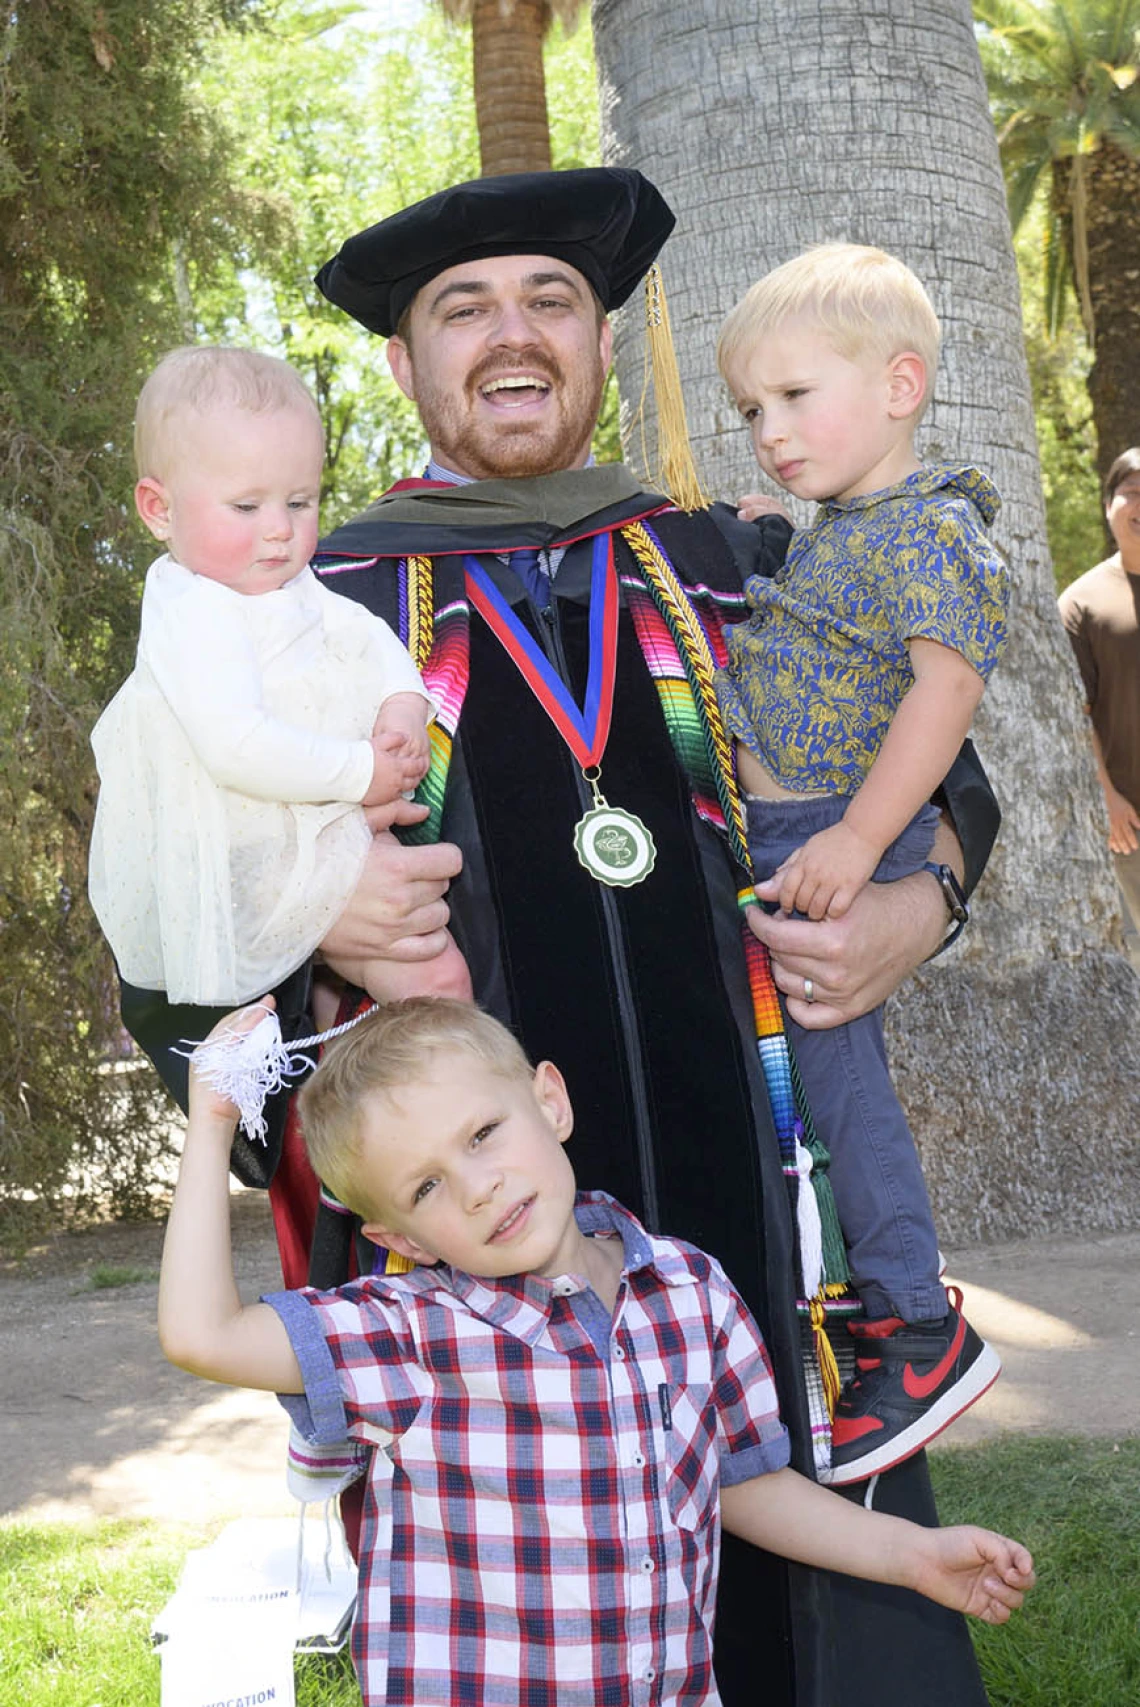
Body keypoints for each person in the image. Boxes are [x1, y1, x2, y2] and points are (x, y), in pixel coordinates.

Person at [120, 169, 1003, 1707]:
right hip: (482, 1267)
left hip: (766, 1238)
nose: (511, 334)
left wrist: (909, 910)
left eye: (551, 300)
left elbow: (949, 776)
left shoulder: (736, 559)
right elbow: (155, 905)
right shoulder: (307, 606)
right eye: (462, 308)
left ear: (602, 343)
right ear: (404, 364)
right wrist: (309, 914)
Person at [159, 996, 1035, 1707]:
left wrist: (908, 1554)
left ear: (550, 1100)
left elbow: (748, 1484)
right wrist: (211, 1124)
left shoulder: (692, 1289)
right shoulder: (405, 1333)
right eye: (428, 1185)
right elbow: (202, 1334)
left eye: (482, 1134)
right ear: (405, 1238)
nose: (479, 1185)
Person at [713, 245, 1008, 1484]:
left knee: (840, 1084)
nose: (770, 431)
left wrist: (853, 838)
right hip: (778, 835)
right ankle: (836, 1287)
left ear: (900, 384)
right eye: (750, 412)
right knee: (791, 1090)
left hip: (822, 838)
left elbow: (945, 694)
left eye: (793, 397)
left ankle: (922, 1325)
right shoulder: (852, 530)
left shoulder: (932, 529)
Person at [88, 346, 470, 1010]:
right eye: (245, 507)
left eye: (299, 501)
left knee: (432, 983)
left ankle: (435, 1089)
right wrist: (362, 772)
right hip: (257, 853)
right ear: (159, 509)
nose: (279, 532)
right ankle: (442, 1097)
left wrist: (402, 706)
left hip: (329, 831)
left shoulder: (288, 583)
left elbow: (367, 635)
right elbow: (236, 747)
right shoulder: (193, 610)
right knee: (430, 982)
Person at [1058, 447, 1140, 971]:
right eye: (1131, 491)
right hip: (1131, 819)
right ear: (1109, 504)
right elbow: (1076, 714)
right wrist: (1106, 795)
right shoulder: (1081, 602)